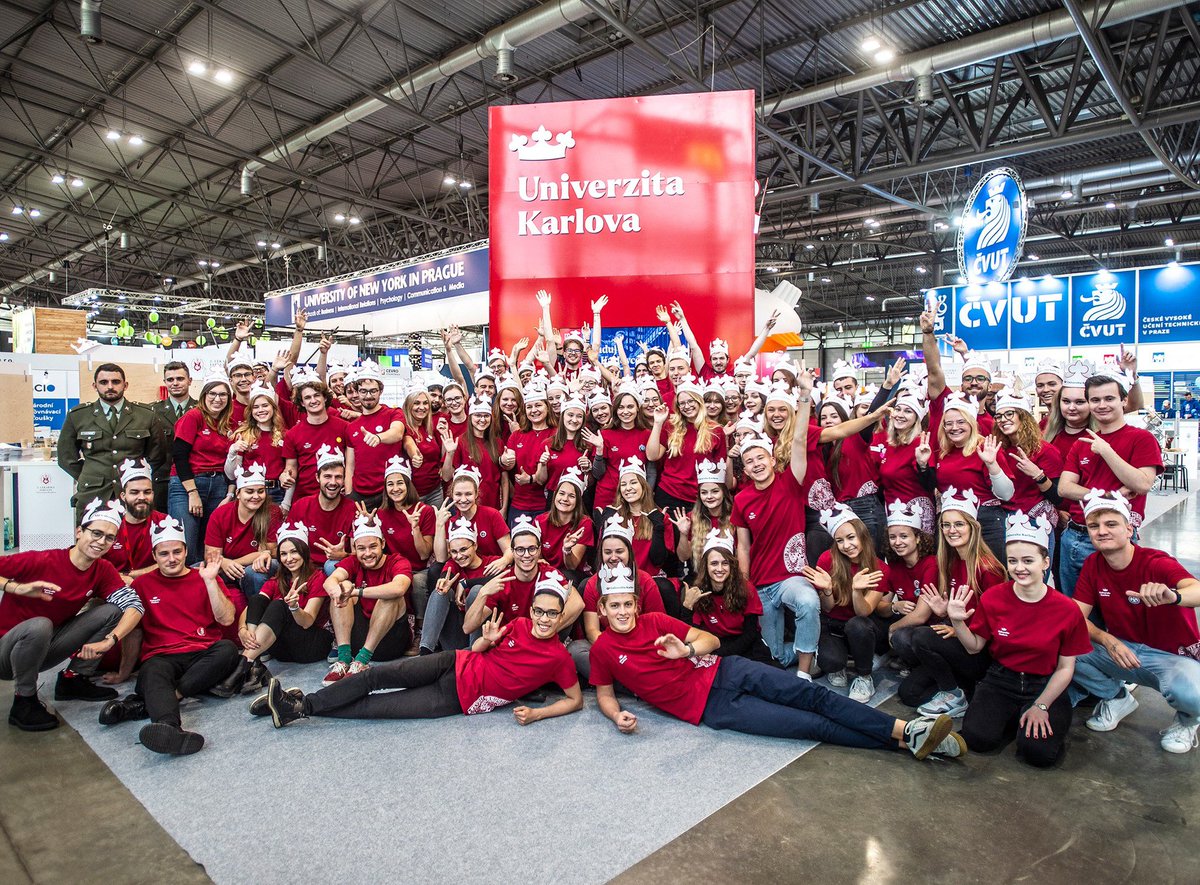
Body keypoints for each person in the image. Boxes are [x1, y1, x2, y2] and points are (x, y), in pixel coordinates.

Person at [587, 565, 965, 760]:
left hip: (726, 670)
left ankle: (905, 727)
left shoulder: (655, 622)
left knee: (813, 696)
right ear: (602, 609)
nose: (622, 612)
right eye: (614, 605)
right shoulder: (603, 648)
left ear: (636, 604)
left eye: (627, 604)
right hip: (714, 707)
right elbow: (604, 693)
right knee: (813, 725)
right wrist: (615, 715)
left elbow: (712, 640)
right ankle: (908, 742)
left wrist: (686, 651)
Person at [263, 576, 583, 727]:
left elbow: (575, 700)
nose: (543, 618)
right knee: (375, 677)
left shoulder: (558, 658)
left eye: (551, 613)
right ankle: (300, 704)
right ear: (532, 610)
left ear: (560, 616)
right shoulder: (519, 624)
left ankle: (297, 705)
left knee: (378, 707)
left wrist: (538, 714)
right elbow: (484, 648)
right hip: (451, 662)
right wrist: (486, 640)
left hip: (457, 699)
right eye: (539, 611)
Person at [946, 513, 1091, 767]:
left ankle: (1031, 718)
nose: (1019, 568)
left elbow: (1066, 668)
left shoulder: (1067, 609)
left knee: (1038, 754)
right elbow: (974, 647)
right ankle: (1011, 716)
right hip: (1001, 679)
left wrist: (1042, 706)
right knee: (977, 739)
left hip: (1044, 685)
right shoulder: (993, 598)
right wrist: (957, 622)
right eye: (1013, 561)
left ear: (1045, 562)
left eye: (1028, 560)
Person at [1068, 491, 1200, 753]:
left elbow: (1196, 590)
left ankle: (1188, 720)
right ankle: (1117, 698)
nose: (1101, 531)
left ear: (1130, 529)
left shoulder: (1156, 562)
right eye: (1094, 526)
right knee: (1063, 645)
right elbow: (1074, 616)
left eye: (1111, 524)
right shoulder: (1094, 563)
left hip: (1171, 657)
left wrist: (1173, 596)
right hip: (1125, 650)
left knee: (1193, 695)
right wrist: (1107, 639)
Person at [98, 516, 238, 756]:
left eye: (177, 552)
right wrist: (124, 671)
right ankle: (169, 728)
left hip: (202, 652)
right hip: (162, 656)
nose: (171, 559)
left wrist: (210, 582)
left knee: (227, 650)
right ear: (154, 556)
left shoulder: (204, 577)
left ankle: (158, 699)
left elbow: (226, 619)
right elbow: (134, 632)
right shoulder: (141, 585)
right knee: (151, 671)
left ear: (185, 552)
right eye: (164, 554)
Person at [1, 499, 143, 730]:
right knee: (40, 625)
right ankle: (23, 700)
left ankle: (73, 679)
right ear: (79, 532)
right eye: (96, 533)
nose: (100, 542)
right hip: (6, 653)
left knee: (112, 611)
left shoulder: (102, 570)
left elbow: (134, 606)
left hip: (45, 647)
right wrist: (16, 587)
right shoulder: (42, 560)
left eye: (109, 538)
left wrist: (111, 640)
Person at [731, 375, 822, 678]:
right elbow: (743, 545)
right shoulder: (742, 499)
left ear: (771, 460)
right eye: (749, 461)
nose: (756, 463)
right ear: (744, 469)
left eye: (760, 458)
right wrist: (744, 583)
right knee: (773, 660)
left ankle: (805, 674)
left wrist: (805, 396)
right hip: (760, 585)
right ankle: (804, 652)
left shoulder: (791, 482)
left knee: (808, 601)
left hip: (790, 579)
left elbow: (798, 440)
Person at [896, 487, 1006, 717]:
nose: (951, 530)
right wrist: (944, 613)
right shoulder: (949, 561)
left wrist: (957, 627)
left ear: (972, 527)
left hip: (979, 650)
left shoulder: (988, 568)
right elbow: (954, 613)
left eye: (958, 524)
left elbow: (993, 624)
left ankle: (955, 693)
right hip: (958, 644)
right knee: (909, 694)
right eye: (946, 525)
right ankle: (962, 688)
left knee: (920, 636)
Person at [1057, 373, 1162, 597]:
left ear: (1123, 401)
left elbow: (1142, 483)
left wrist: (1107, 451)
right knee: (1076, 610)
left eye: (1109, 398)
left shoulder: (1141, 439)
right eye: (1095, 400)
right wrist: (1110, 495)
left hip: (1117, 535)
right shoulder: (1082, 443)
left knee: (1119, 608)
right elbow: (1065, 488)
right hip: (1075, 535)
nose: (1102, 405)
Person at [210, 523, 333, 698]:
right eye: (283, 553)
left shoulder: (317, 578)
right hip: (284, 649)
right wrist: (243, 630)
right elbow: (252, 606)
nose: (289, 558)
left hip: (312, 645)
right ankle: (251, 661)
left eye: (294, 552)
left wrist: (294, 607)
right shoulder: (278, 579)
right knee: (258, 599)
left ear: (304, 553)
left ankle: (242, 667)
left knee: (278, 605)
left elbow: (307, 622)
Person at [803, 504, 892, 703]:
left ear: (862, 535)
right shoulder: (828, 559)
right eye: (840, 541)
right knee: (831, 663)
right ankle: (842, 660)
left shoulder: (880, 568)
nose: (846, 545)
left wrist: (856, 590)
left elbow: (863, 612)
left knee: (857, 625)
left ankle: (864, 676)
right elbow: (827, 608)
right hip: (833, 625)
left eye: (851, 537)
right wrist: (826, 590)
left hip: (861, 626)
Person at [58, 363, 168, 523]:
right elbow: (66, 457)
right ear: (95, 386)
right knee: (92, 542)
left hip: (134, 494)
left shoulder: (145, 415)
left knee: (135, 541)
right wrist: (90, 475)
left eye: (116, 382)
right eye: (104, 382)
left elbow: (158, 454)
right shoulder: (78, 416)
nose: (110, 386)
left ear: (125, 385)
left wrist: (136, 476)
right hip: (93, 493)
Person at [568, 518, 667, 678]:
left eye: (619, 551)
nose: (613, 557)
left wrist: (632, 650)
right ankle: (632, 682)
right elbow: (592, 630)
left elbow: (658, 626)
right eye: (608, 552)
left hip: (640, 647)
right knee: (576, 650)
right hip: (609, 646)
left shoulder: (646, 581)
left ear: (629, 552)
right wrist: (617, 651)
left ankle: (616, 681)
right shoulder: (593, 584)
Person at [918, 391, 1014, 556]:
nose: (954, 427)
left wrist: (992, 465)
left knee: (991, 576)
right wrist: (923, 465)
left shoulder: (986, 448)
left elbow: (1006, 494)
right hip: (952, 526)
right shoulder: (942, 452)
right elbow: (932, 487)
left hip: (985, 523)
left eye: (961, 422)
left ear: (971, 423)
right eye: (949, 423)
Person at [320, 515, 412, 684]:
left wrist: (356, 592)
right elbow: (330, 580)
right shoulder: (352, 561)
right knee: (342, 585)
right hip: (359, 639)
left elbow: (399, 587)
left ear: (383, 544)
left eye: (373, 547)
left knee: (390, 596)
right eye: (361, 548)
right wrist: (336, 589)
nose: (368, 553)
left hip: (391, 642)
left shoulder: (397, 561)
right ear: (355, 548)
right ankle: (344, 659)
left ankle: (362, 661)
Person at [680, 529, 773, 664]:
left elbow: (750, 634)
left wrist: (722, 653)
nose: (719, 569)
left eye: (725, 563)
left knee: (773, 676)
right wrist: (687, 607)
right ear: (705, 566)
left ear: (732, 565)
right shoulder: (696, 592)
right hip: (714, 644)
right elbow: (690, 634)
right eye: (714, 563)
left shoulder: (746, 588)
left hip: (746, 645)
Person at [170, 369, 234, 562]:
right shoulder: (193, 417)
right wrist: (192, 493)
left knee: (210, 545)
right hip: (188, 485)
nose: (217, 399)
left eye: (223, 394)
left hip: (218, 486)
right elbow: (179, 456)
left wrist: (229, 493)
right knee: (186, 545)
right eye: (212, 393)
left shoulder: (226, 423)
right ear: (204, 395)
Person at [991, 388, 1063, 561]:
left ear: (1023, 416)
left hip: (1034, 523)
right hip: (1003, 521)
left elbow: (1058, 496)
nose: (1003, 420)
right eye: (999, 416)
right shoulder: (997, 450)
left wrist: (1037, 474)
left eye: (1009, 414)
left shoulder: (1045, 450)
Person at [203, 464, 282, 608]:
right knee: (198, 571)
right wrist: (225, 563)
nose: (256, 496)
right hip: (225, 564)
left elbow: (267, 552)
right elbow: (211, 555)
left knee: (256, 571)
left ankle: (257, 617)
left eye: (260, 491)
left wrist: (232, 563)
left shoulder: (272, 511)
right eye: (249, 492)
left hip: (253, 566)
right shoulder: (221, 514)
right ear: (238, 493)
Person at [375, 455, 436, 642]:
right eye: (390, 484)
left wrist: (415, 527)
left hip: (419, 568)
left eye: (400, 483)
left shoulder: (424, 511)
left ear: (408, 484)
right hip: (395, 568)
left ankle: (419, 631)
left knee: (417, 582)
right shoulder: (381, 514)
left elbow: (424, 553)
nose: (395, 489)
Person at [647, 378, 728, 511]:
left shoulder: (716, 430)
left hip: (699, 498)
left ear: (699, 402)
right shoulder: (670, 426)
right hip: (669, 493)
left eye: (691, 401)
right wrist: (657, 422)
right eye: (682, 403)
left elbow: (721, 470)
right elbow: (652, 455)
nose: (687, 406)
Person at [882, 500, 938, 673]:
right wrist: (895, 606)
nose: (897, 542)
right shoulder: (895, 566)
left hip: (933, 626)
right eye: (893, 537)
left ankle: (922, 668)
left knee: (899, 635)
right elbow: (881, 607)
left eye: (904, 536)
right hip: (911, 623)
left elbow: (921, 616)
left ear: (918, 537)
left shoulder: (931, 564)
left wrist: (893, 627)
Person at [287, 447, 357, 576]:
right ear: (317, 478)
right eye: (327, 477)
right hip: (305, 568)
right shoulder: (301, 506)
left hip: (335, 569)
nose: (333, 482)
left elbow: (359, 555)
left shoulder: (353, 509)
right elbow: (287, 545)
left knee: (331, 565)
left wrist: (344, 555)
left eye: (338, 477)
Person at [344, 363, 406, 509]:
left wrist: (378, 438)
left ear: (380, 391)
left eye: (373, 391)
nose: (368, 396)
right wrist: (348, 494)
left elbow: (397, 433)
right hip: (359, 495)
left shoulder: (393, 413)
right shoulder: (351, 427)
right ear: (357, 392)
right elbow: (350, 465)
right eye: (363, 391)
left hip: (388, 492)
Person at [282, 375, 351, 502]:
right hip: (305, 498)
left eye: (317, 395)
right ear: (302, 403)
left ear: (325, 397)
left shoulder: (344, 427)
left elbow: (352, 462)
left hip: (338, 497)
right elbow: (291, 467)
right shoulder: (292, 434)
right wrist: (285, 475)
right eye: (307, 398)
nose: (313, 400)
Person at [226, 383, 289, 507]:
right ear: (251, 411)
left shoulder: (285, 435)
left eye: (265, 405)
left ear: (273, 407)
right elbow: (231, 474)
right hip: (249, 492)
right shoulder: (243, 434)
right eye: (256, 407)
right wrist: (232, 451)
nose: (261, 410)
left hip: (276, 493)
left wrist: (286, 503)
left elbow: (290, 470)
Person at [441, 395, 507, 513]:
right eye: (478, 415)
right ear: (470, 417)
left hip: (493, 505)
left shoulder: (498, 443)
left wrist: (504, 508)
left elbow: (504, 478)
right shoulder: (460, 441)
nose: (482, 419)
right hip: (466, 506)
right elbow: (446, 476)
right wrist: (450, 454)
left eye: (486, 416)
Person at [147, 360, 197, 512]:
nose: (175, 383)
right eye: (170, 380)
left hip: (193, 480)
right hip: (162, 480)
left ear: (189, 381)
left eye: (180, 379)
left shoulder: (202, 410)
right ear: (165, 382)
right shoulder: (152, 412)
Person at [502, 383, 556, 524]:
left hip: (548, 504)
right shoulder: (516, 435)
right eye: (529, 407)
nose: (534, 410)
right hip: (519, 504)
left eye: (538, 405)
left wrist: (531, 478)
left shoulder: (556, 433)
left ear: (547, 407)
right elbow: (508, 466)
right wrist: (505, 461)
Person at [535, 467, 594, 576]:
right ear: (555, 496)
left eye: (571, 496)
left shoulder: (584, 523)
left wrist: (567, 550)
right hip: (545, 571)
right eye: (561, 493)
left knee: (568, 574)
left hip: (573, 574)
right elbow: (536, 556)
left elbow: (572, 566)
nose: (565, 499)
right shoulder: (540, 521)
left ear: (578, 501)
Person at [402, 385, 446, 507]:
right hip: (414, 494)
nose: (422, 407)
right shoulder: (404, 428)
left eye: (425, 403)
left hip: (436, 490)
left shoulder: (428, 428)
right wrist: (415, 455)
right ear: (408, 405)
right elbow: (408, 442)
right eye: (416, 403)